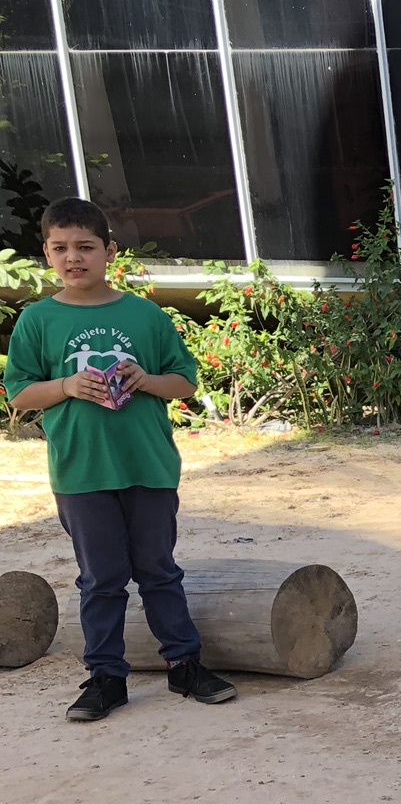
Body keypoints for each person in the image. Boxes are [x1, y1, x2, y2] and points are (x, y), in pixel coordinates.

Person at [0, 196, 236, 721]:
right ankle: (106, 676)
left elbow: (184, 380)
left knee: (159, 570)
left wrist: (146, 380)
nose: (73, 257)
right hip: (81, 473)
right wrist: (67, 386)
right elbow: (19, 393)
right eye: (61, 247)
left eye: (85, 246)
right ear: (46, 253)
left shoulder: (144, 314)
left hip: (148, 467)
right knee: (101, 579)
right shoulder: (38, 319)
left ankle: (184, 665)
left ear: (109, 252)